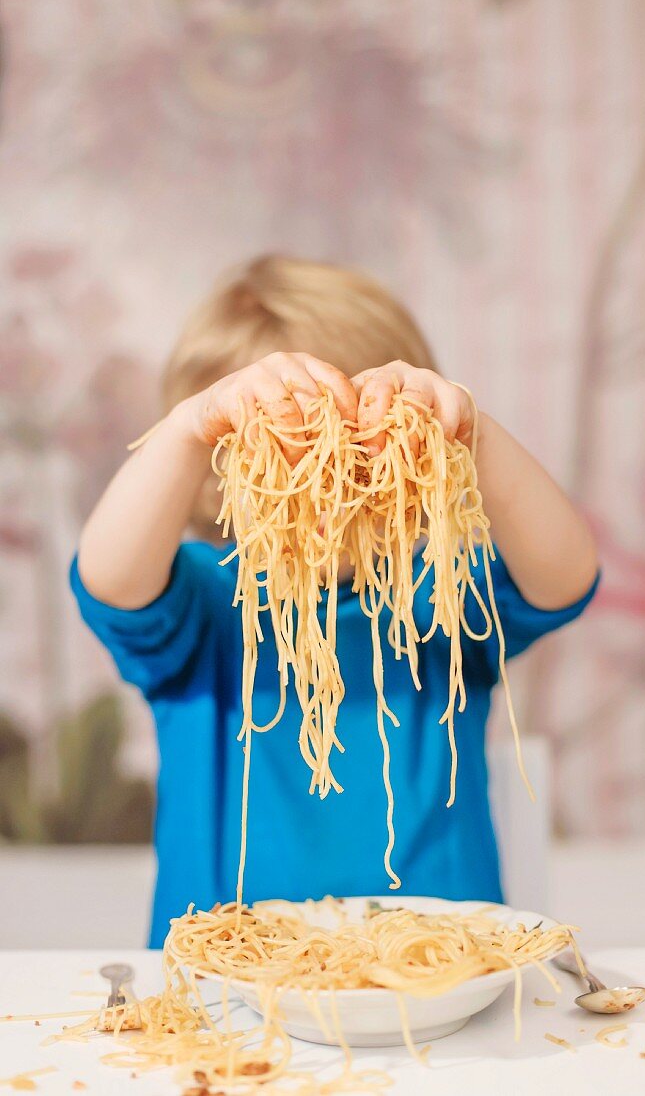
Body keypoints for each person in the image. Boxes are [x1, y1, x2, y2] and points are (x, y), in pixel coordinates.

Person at [71, 255, 599, 947]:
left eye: (359, 451)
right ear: (214, 478)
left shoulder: (434, 597)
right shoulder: (206, 600)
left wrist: (472, 433)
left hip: (442, 983)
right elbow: (110, 579)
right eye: (276, 458)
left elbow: (564, 574)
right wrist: (190, 428)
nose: (327, 488)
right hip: (220, 998)